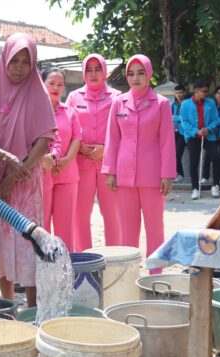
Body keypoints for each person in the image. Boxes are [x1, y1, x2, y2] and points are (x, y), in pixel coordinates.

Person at [0, 33, 56, 306]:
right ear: (4, 60)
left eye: (26, 62)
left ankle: (33, 306)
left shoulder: (38, 93)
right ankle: (8, 304)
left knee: (27, 241)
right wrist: (1, 158)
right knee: (0, 239)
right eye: (14, 61)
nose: (20, 67)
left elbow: (45, 139)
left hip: (25, 177)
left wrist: (13, 174)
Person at [102, 55, 175, 273]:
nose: (135, 78)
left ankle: (155, 275)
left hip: (153, 176)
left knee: (155, 229)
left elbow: (167, 142)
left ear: (149, 75)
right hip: (124, 175)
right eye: (131, 73)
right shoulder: (118, 102)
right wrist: (109, 170)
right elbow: (112, 139)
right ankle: (128, 274)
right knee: (127, 231)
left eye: (140, 73)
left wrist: (167, 174)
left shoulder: (161, 104)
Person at [66, 54, 122, 250]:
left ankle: (116, 258)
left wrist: (105, 149)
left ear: (105, 71)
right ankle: (83, 259)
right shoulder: (74, 97)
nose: (93, 74)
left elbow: (122, 129)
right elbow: (68, 126)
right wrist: (80, 146)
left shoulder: (117, 97)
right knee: (80, 214)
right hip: (81, 163)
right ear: (83, 73)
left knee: (113, 214)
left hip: (109, 165)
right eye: (88, 69)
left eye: (97, 69)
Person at [41, 67, 81, 251]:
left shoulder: (70, 112)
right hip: (41, 175)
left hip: (67, 175)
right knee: (42, 227)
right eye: (51, 83)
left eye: (60, 84)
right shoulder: (34, 111)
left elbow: (76, 138)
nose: (56, 87)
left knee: (65, 228)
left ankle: (67, 272)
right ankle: (41, 273)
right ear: (42, 83)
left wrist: (66, 160)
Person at [180, 80, 220, 199]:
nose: (206, 94)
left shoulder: (211, 103)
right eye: (203, 91)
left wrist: (208, 129)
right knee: (194, 162)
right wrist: (195, 131)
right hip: (193, 136)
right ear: (196, 91)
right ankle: (195, 188)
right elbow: (184, 121)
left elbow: (216, 119)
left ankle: (215, 185)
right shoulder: (185, 104)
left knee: (216, 157)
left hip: (208, 135)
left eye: (207, 91)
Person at [172, 84, 187, 183]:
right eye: (177, 93)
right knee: (173, 154)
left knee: (178, 153)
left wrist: (175, 118)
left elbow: (185, 118)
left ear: (184, 93)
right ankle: (178, 174)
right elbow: (169, 117)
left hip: (184, 132)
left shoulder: (187, 104)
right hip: (174, 132)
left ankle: (181, 174)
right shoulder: (173, 105)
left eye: (180, 92)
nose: (178, 94)